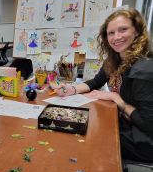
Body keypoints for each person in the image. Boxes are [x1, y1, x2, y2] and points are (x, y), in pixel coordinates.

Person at [55, 8, 153, 162]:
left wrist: (116, 98)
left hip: (144, 139)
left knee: (91, 136)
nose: (117, 37)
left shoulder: (144, 69)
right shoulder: (114, 60)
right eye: (111, 33)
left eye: (123, 29)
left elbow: (148, 124)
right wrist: (71, 89)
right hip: (128, 124)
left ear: (137, 32)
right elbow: (95, 82)